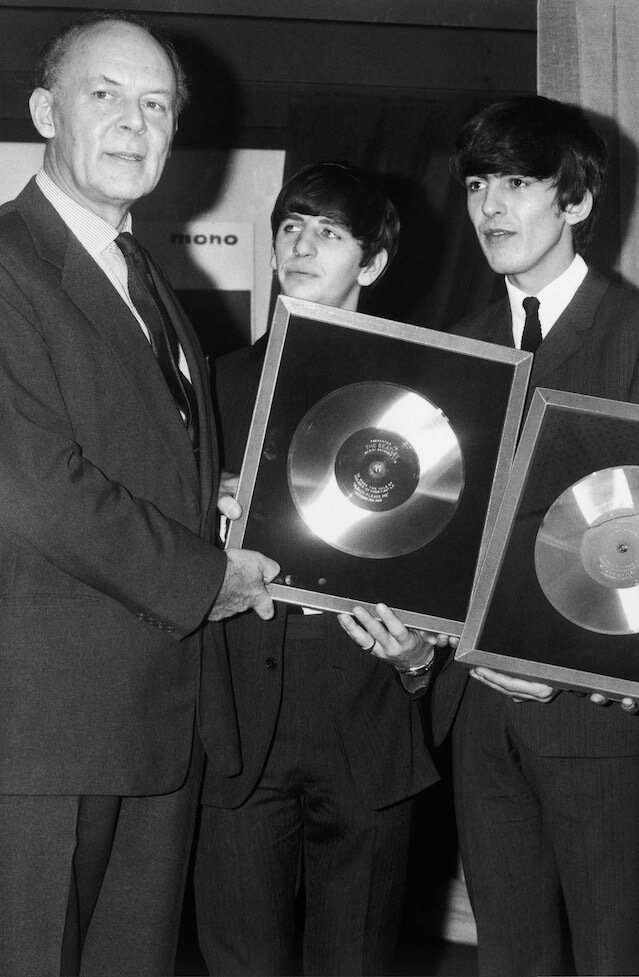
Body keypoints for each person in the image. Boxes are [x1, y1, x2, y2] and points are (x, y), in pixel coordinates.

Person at [0, 12, 277, 975]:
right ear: (45, 111)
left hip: (154, 722)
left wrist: (218, 502)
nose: (133, 122)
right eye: (105, 95)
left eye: (155, 104)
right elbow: (31, 484)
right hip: (45, 731)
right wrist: (208, 575)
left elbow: (136, 454)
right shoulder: (7, 263)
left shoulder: (145, 275)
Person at [430, 94, 639, 976]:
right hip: (476, 710)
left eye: (517, 182)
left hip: (593, 716)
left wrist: (554, 659)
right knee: (507, 956)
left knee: (616, 953)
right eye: (477, 184)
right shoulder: (460, 346)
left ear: (576, 202)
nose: (491, 207)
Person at [195, 161, 448, 975]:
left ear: (371, 263)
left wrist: (420, 657)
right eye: (291, 226)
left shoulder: (430, 399)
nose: (301, 245)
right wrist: (210, 513)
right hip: (240, 722)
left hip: (367, 717)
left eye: (329, 232)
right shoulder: (214, 384)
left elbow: (449, 566)